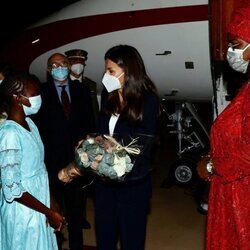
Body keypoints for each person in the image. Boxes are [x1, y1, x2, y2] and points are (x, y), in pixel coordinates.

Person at [94, 44, 160, 250]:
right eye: (106, 70)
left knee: (132, 242)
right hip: (105, 185)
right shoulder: (108, 95)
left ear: (127, 71)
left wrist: (111, 152)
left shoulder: (147, 100)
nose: (106, 75)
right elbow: (102, 133)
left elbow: (142, 145)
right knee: (105, 239)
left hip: (132, 185)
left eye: (111, 71)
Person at [197, 6, 250, 250]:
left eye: (236, 44)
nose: (230, 52)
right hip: (235, 193)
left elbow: (247, 155)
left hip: (242, 198)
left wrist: (211, 165)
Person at [32, 53, 95, 250]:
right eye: (55, 65)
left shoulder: (82, 90)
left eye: (64, 63)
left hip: (77, 165)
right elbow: (37, 129)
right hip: (50, 165)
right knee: (54, 212)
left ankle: (76, 246)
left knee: (76, 214)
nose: (60, 67)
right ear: (49, 70)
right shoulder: (41, 92)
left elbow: (90, 124)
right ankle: (56, 245)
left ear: (69, 66)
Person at [0, 73, 66, 250]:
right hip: (23, 211)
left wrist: (51, 201)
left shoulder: (31, 124)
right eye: (35, 93)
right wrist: (48, 212)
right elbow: (12, 187)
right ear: (17, 98)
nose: (39, 98)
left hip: (39, 200)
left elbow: (40, 168)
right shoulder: (10, 134)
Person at [65, 49, 100, 127]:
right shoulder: (63, 84)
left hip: (87, 127)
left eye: (81, 62)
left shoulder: (91, 84)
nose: (78, 65)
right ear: (69, 64)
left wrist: (97, 128)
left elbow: (95, 109)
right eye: (75, 62)